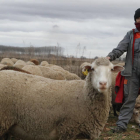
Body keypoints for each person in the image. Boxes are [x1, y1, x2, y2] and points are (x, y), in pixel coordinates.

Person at [107, 8, 140, 133]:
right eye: (139, 18)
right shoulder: (130, 35)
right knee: (129, 100)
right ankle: (121, 125)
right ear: (135, 19)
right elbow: (119, 49)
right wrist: (109, 57)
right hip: (131, 73)